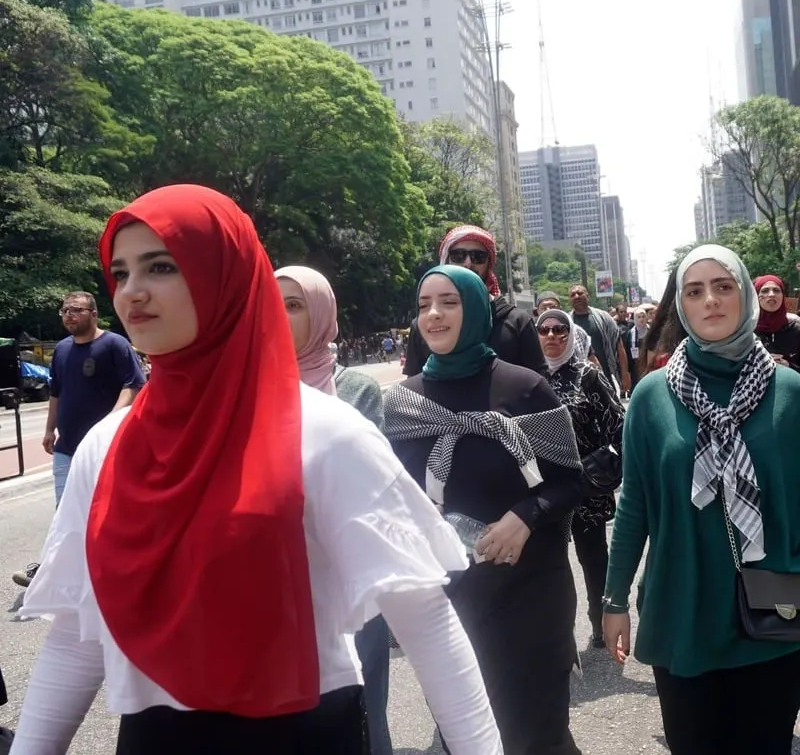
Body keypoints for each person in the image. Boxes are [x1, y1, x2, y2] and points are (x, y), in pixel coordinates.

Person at [8, 186, 502, 755]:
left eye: (161, 266)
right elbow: (75, 636)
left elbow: (426, 621)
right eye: (119, 273)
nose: (132, 292)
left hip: (303, 732)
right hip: (155, 735)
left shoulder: (325, 433)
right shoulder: (107, 446)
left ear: (227, 276)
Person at [603, 244, 800, 755]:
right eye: (695, 291)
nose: (710, 300)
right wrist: (615, 598)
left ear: (745, 296)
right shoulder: (651, 397)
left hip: (774, 615)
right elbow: (634, 508)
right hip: (682, 608)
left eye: (723, 286)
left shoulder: (789, 392)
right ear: (681, 307)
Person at [385, 264, 584, 755]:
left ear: (475, 309)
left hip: (530, 594)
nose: (433, 314)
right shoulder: (404, 404)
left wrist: (525, 517)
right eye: (424, 304)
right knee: (469, 738)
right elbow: (395, 504)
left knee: (538, 736)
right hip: (450, 603)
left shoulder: (525, 388)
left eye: (449, 302)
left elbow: (571, 481)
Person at [275, 264, 391, 755]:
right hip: (275, 577)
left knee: (361, 709)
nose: (279, 316)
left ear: (321, 314)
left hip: (350, 574)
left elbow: (373, 489)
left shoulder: (357, 389)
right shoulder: (245, 386)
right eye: (271, 304)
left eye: (294, 305)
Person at [11, 291, 145, 588]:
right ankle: (49, 570)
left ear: (93, 313)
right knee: (65, 512)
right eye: (65, 310)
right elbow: (56, 392)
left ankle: (116, 571)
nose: (69, 315)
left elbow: (133, 384)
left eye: (76, 310)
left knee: (107, 511)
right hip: (67, 448)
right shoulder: (61, 349)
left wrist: (110, 422)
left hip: (104, 449)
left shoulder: (114, 344)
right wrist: (49, 429)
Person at [536, 309, 624, 648]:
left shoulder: (588, 375)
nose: (553, 336)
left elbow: (618, 422)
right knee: (548, 560)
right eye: (545, 330)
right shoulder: (528, 378)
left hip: (586, 483)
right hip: (542, 487)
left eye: (561, 329)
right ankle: (557, 630)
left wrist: (607, 463)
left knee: (592, 555)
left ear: (570, 334)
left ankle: (600, 621)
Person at [403, 225, 546, 377]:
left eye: (478, 257)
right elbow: (414, 388)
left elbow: (536, 386)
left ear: (489, 264)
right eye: (458, 255)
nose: (468, 263)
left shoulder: (517, 322)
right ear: (445, 261)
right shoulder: (426, 324)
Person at [568, 285, 630, 394]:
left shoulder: (604, 317)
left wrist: (625, 374)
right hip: (579, 384)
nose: (576, 296)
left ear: (588, 296)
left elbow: (618, 346)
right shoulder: (567, 323)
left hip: (606, 378)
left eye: (580, 293)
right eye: (573, 295)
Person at [753, 274, 800, 372]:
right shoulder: (746, 328)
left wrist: (789, 366)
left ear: (783, 296)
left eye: (776, 290)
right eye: (765, 290)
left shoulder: (796, 328)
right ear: (756, 296)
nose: (771, 294)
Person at [536, 292, 596, 365]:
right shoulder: (531, 332)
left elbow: (592, 359)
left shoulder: (577, 332)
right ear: (537, 311)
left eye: (552, 306)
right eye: (543, 308)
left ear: (560, 309)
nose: (548, 310)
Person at [622, 306, 649, 390]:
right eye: (639, 317)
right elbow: (627, 352)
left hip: (649, 364)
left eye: (643, 317)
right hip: (635, 367)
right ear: (635, 318)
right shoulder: (630, 333)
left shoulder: (651, 331)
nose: (641, 319)